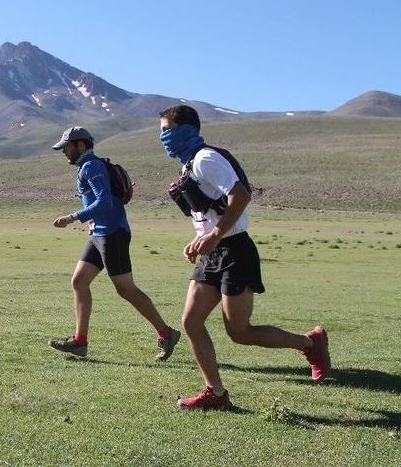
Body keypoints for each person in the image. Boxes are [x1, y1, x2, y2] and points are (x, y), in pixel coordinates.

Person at [158, 105, 330, 410]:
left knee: (239, 332)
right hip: (212, 253)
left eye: (167, 130)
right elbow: (212, 211)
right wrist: (200, 238)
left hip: (235, 251)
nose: (163, 138)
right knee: (191, 321)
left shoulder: (206, 159)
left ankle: (310, 343)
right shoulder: (189, 165)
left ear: (186, 130)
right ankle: (216, 393)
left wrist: (214, 235)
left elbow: (240, 195)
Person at [48, 126, 181, 360]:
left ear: (80, 145)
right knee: (79, 281)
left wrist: (72, 217)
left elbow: (105, 202)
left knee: (126, 289)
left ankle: (166, 332)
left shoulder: (91, 166)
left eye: (66, 147)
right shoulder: (88, 166)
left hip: (112, 234)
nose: (64, 152)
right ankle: (80, 341)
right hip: (98, 234)